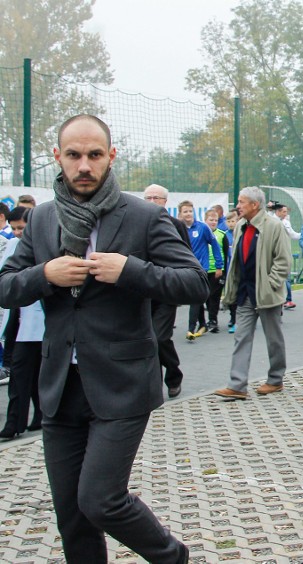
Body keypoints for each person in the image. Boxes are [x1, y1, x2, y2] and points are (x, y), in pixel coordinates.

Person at [0, 114, 207, 563]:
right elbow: (5, 286)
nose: (84, 166)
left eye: (95, 155)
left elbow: (195, 282)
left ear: (111, 156)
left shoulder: (145, 216)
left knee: (100, 500)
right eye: (73, 155)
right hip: (59, 386)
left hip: (121, 384)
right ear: (57, 157)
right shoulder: (41, 220)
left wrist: (129, 270)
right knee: (72, 517)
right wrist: (44, 275)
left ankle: (172, 557)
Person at [215, 187, 291, 400]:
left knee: (274, 339)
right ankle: (237, 385)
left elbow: (283, 261)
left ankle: (275, 380)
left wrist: (269, 284)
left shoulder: (274, 226)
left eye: (241, 202)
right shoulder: (240, 226)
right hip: (245, 293)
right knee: (241, 338)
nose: (237, 206)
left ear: (254, 205)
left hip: (267, 295)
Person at [143, 184, 191, 398]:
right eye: (148, 198)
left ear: (165, 201)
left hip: (166, 289)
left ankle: (173, 375)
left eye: (156, 198)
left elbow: (185, 255)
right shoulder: (134, 224)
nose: (152, 201)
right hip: (141, 290)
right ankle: (150, 384)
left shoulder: (175, 225)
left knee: (160, 337)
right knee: (145, 339)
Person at [0, 207, 43, 440]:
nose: (17, 233)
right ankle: (16, 422)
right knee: (21, 373)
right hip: (18, 319)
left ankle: (35, 418)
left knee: (35, 374)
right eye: (14, 228)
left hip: (42, 321)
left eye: (21, 229)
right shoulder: (14, 246)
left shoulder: (45, 244)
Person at [179, 200, 223, 340]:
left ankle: (190, 329)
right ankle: (203, 323)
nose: (188, 214)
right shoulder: (179, 229)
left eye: (190, 211)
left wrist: (218, 265)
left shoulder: (202, 228)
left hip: (201, 269)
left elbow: (214, 245)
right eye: (185, 211)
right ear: (180, 214)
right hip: (186, 268)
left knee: (195, 298)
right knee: (195, 297)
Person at [203, 209, 229, 333]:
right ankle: (205, 321)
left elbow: (225, 253)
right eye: (211, 220)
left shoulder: (221, 235)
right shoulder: (202, 233)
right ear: (205, 221)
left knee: (214, 296)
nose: (213, 222)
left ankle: (213, 320)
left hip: (217, 270)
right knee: (206, 295)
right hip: (204, 269)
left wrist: (222, 269)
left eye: (215, 220)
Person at [268, 201, 298, 309]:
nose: (286, 214)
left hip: (284, 252)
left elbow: (292, 235)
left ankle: (287, 300)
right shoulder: (271, 221)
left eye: (286, 212)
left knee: (286, 277)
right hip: (273, 253)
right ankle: (277, 300)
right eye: (284, 212)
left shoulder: (285, 222)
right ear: (278, 211)